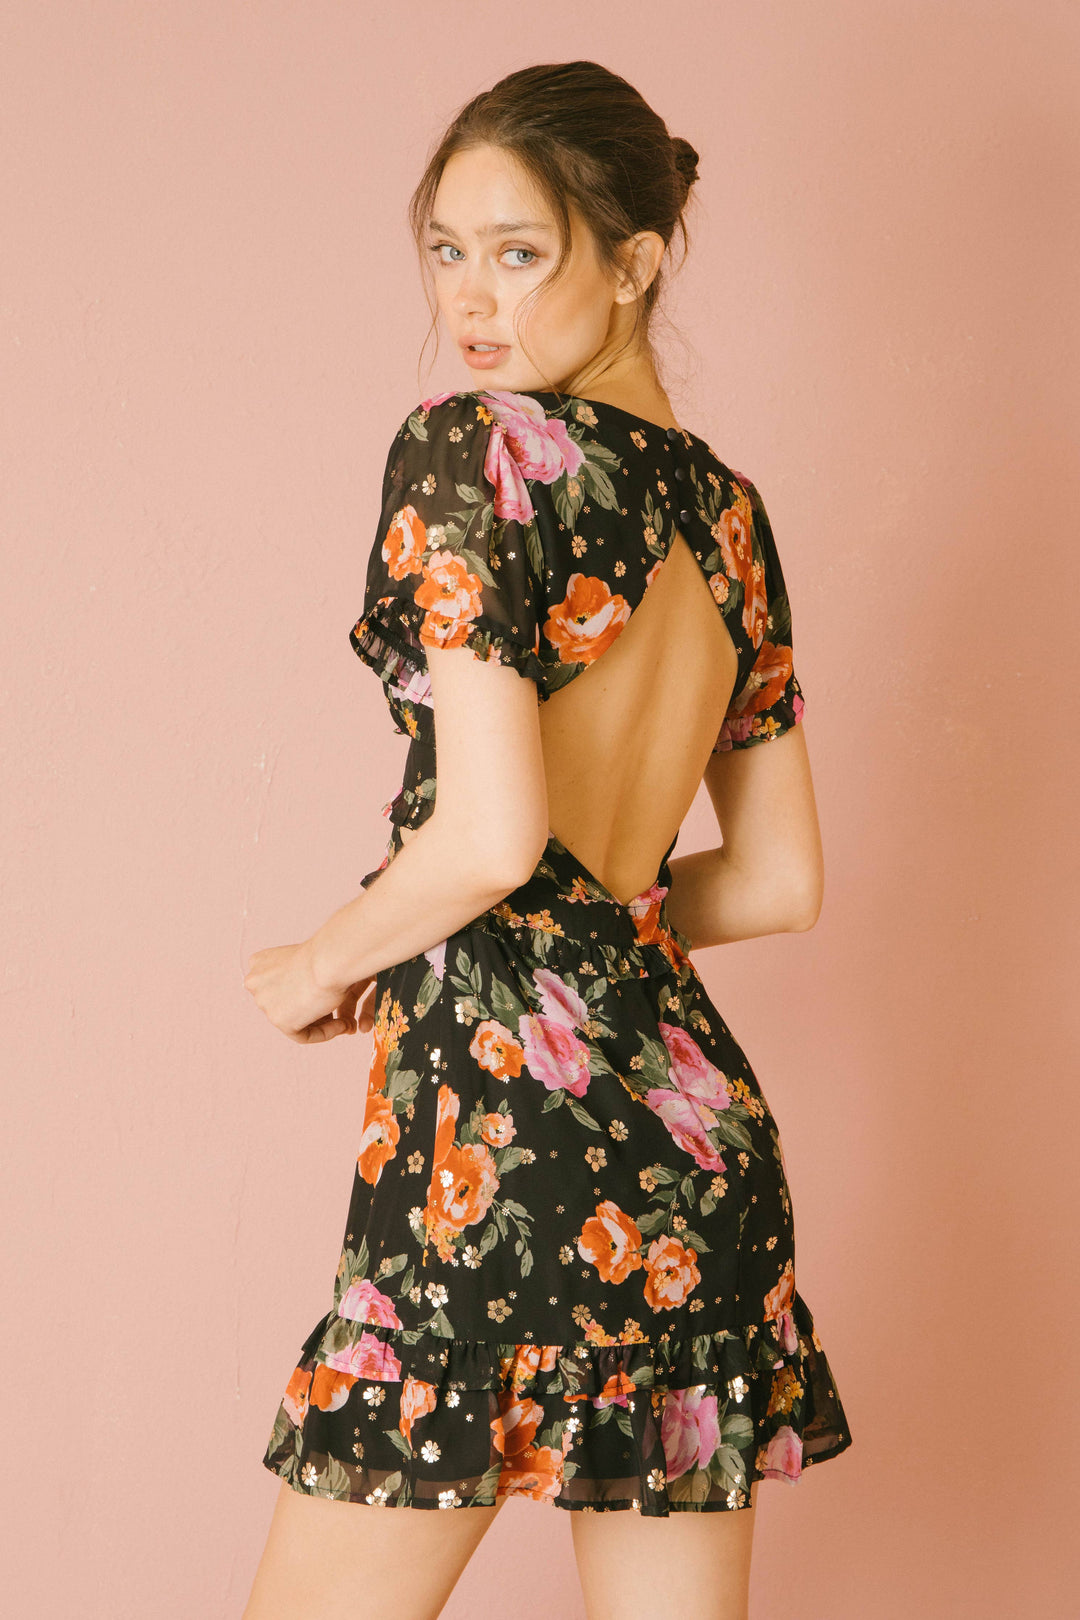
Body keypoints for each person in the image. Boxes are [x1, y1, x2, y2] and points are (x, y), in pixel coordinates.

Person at [242, 58, 852, 1620]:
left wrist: (325, 959)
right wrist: (580, 944)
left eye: (520, 251)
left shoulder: (474, 452)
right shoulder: (729, 515)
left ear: (635, 261)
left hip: (497, 1143)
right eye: (446, 250)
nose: (470, 298)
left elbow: (493, 837)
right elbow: (778, 880)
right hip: (693, 1154)